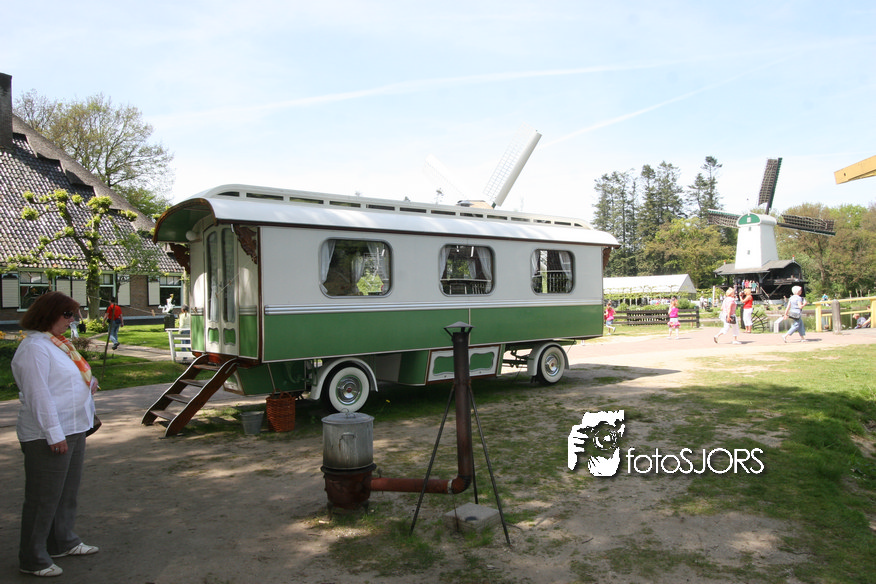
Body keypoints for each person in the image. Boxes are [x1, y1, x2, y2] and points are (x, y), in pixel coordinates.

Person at [12, 292, 100, 577]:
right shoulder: (34, 348)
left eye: (74, 314)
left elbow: (65, 381)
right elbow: (38, 395)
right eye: (68, 314)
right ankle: (33, 558)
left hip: (74, 428)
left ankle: (62, 541)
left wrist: (88, 382)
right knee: (43, 498)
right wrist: (53, 434)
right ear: (48, 314)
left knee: (66, 493)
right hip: (48, 433)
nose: (72, 320)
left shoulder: (58, 344)